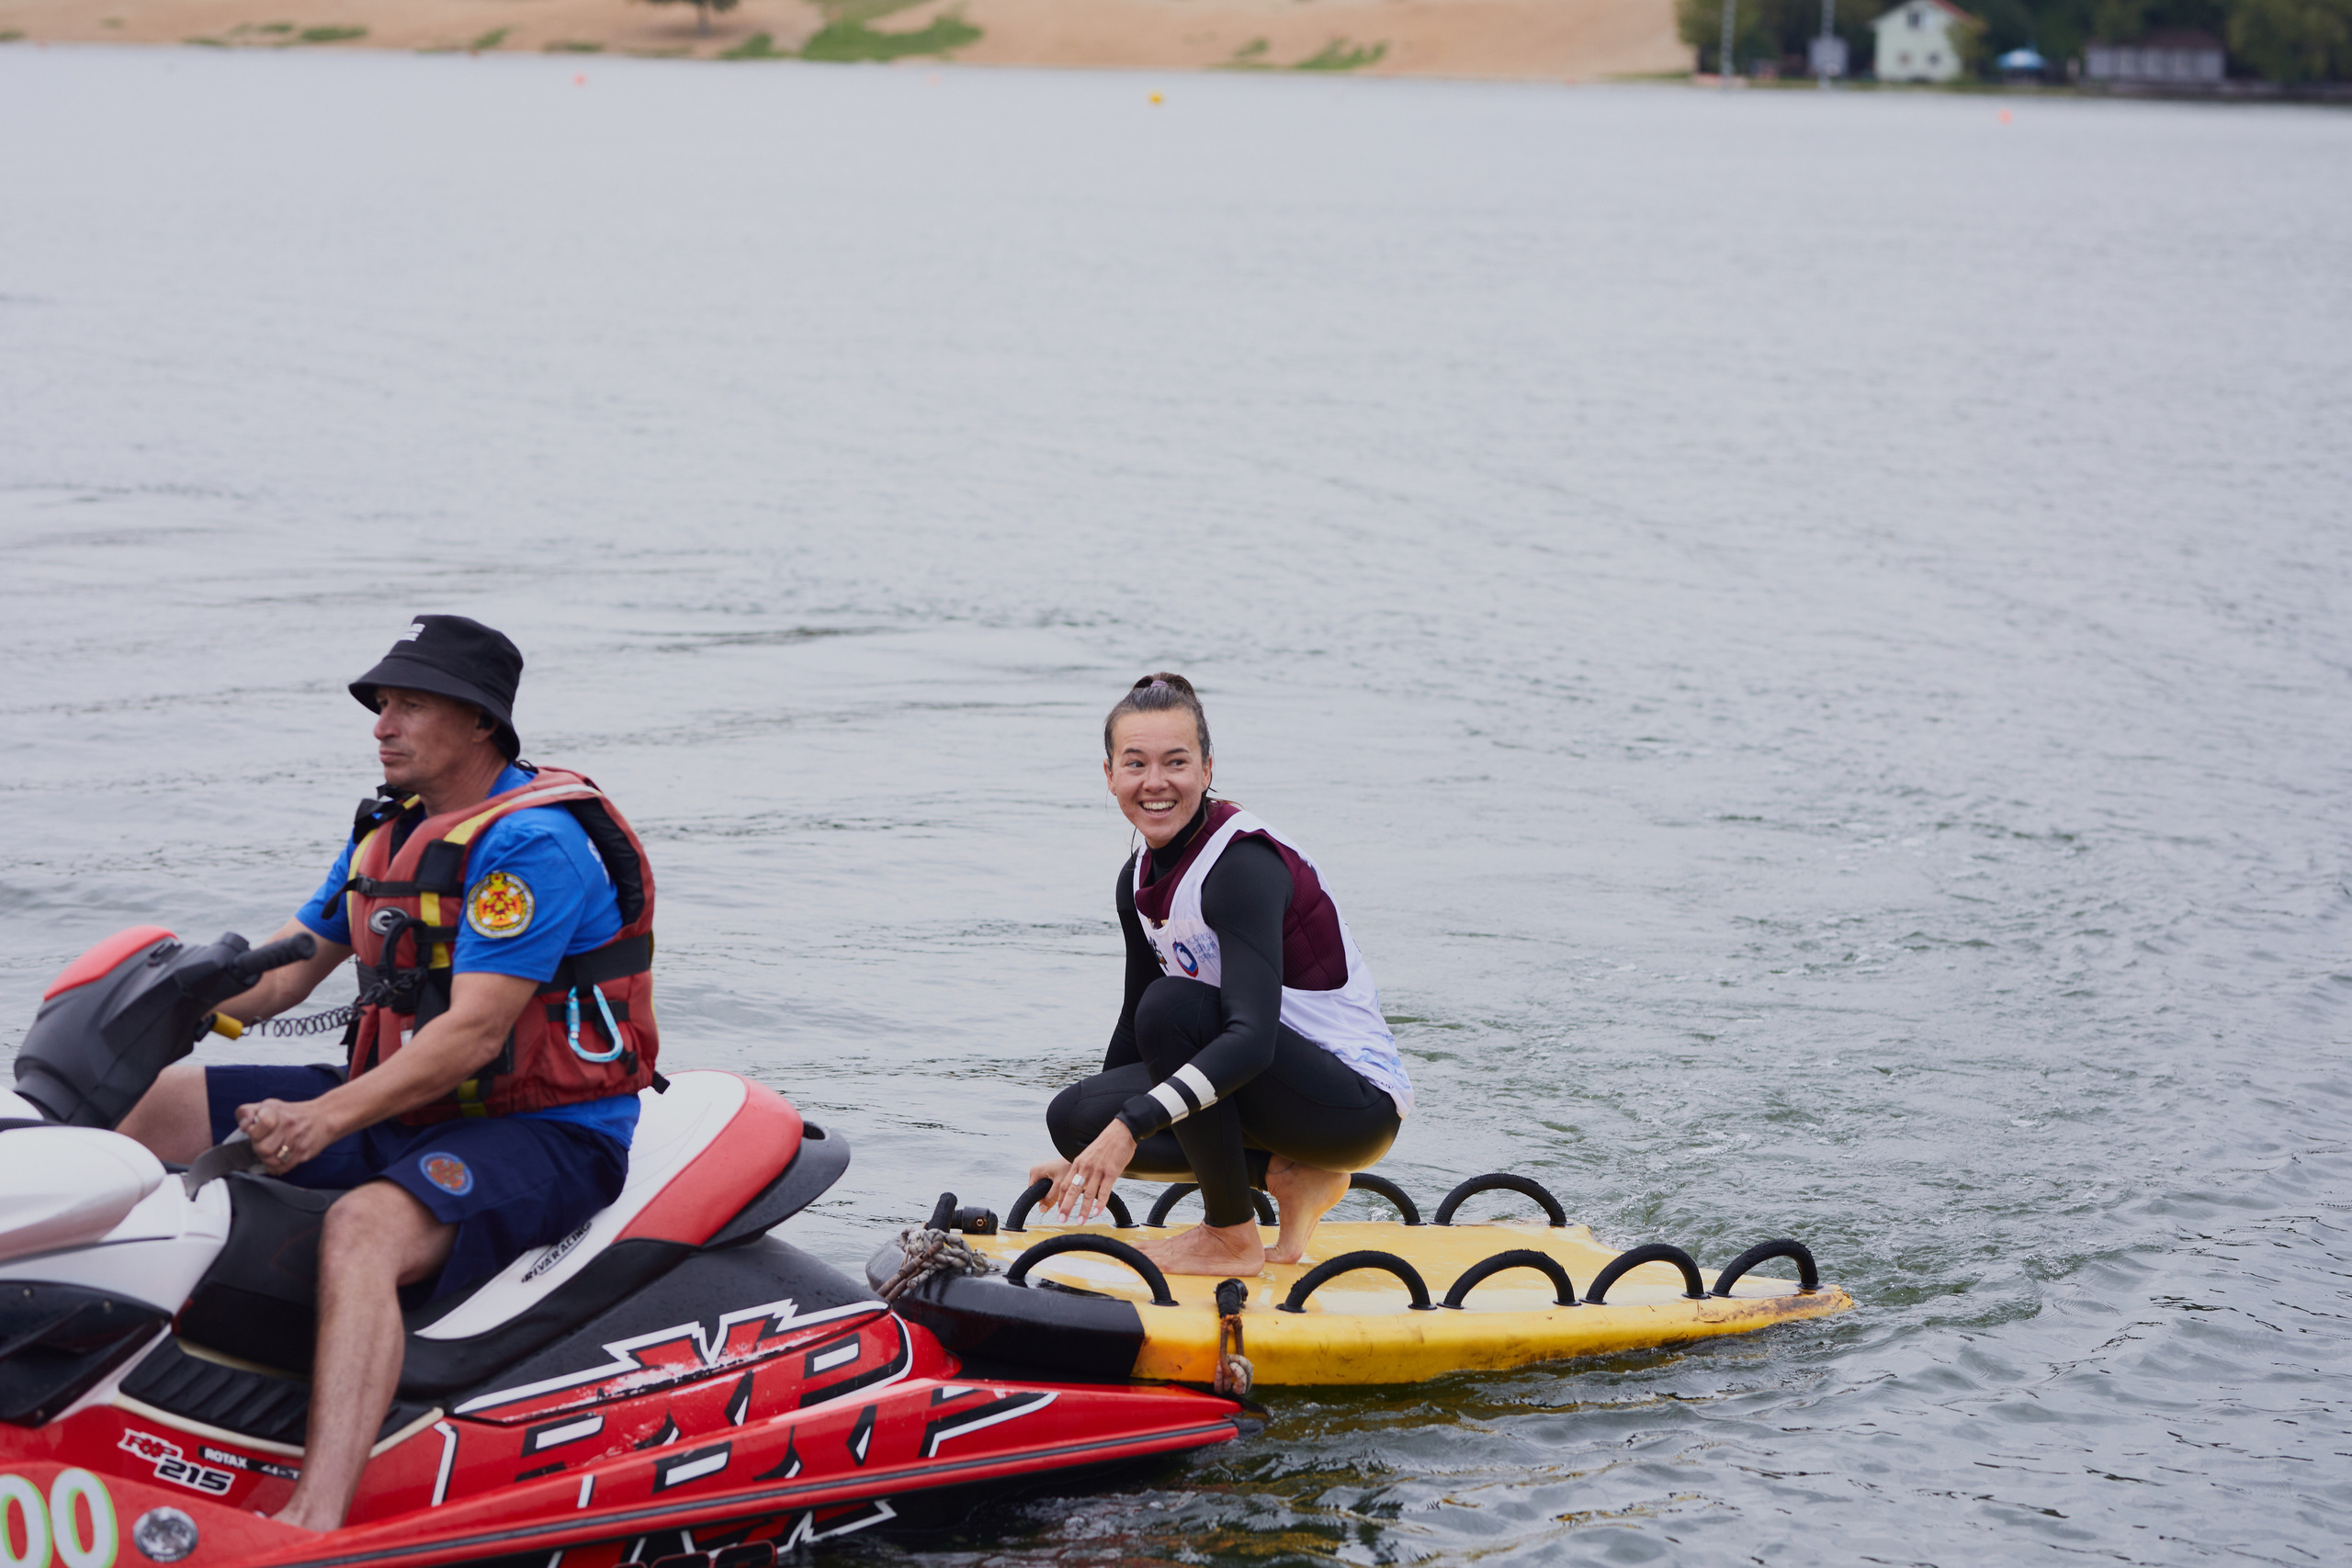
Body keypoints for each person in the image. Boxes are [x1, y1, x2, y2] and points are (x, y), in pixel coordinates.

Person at [118, 615, 660, 1533]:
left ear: (480, 721)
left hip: (546, 1132)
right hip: (408, 1105)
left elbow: (472, 1036)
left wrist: (322, 1118)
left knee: (365, 1229)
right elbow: (289, 971)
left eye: (409, 705)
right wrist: (161, 1010)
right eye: (380, 705)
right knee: (142, 1110)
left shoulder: (531, 849)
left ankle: (314, 1515)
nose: (381, 724)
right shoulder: (389, 831)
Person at [1032, 674, 1412, 1276]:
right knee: (1073, 1119)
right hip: (1266, 1092)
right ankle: (1286, 1176)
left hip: (1350, 1104)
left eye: (1176, 762)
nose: (1155, 782)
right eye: (1135, 763)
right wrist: (1092, 1153)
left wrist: (1132, 1126)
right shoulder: (1136, 880)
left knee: (1175, 1009)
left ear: (1207, 769)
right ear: (1109, 776)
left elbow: (1250, 1038)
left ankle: (1231, 1237)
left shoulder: (1241, 866)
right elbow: (1134, 1026)